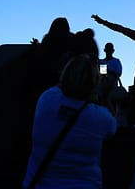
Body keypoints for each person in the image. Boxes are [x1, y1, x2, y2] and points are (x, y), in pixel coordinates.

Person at [23, 54, 116, 188]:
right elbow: (112, 128)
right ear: (95, 83)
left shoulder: (46, 99)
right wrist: (105, 98)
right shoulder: (101, 117)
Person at [98, 43, 123, 109]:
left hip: (113, 86)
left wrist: (108, 70)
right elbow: (102, 74)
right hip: (103, 86)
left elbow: (118, 73)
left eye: (110, 49)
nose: (109, 51)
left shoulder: (116, 61)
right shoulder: (102, 61)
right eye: (107, 49)